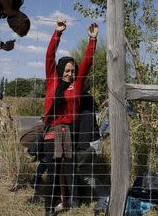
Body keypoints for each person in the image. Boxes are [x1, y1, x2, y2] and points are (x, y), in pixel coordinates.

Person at [40, 19, 98, 216]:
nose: (70, 74)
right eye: (67, 70)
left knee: (65, 169)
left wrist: (92, 39)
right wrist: (58, 33)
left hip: (68, 132)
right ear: (60, 70)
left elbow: (88, 63)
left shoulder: (77, 84)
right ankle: (49, 209)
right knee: (54, 171)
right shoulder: (52, 81)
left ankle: (65, 201)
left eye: (73, 71)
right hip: (52, 133)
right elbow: (49, 56)